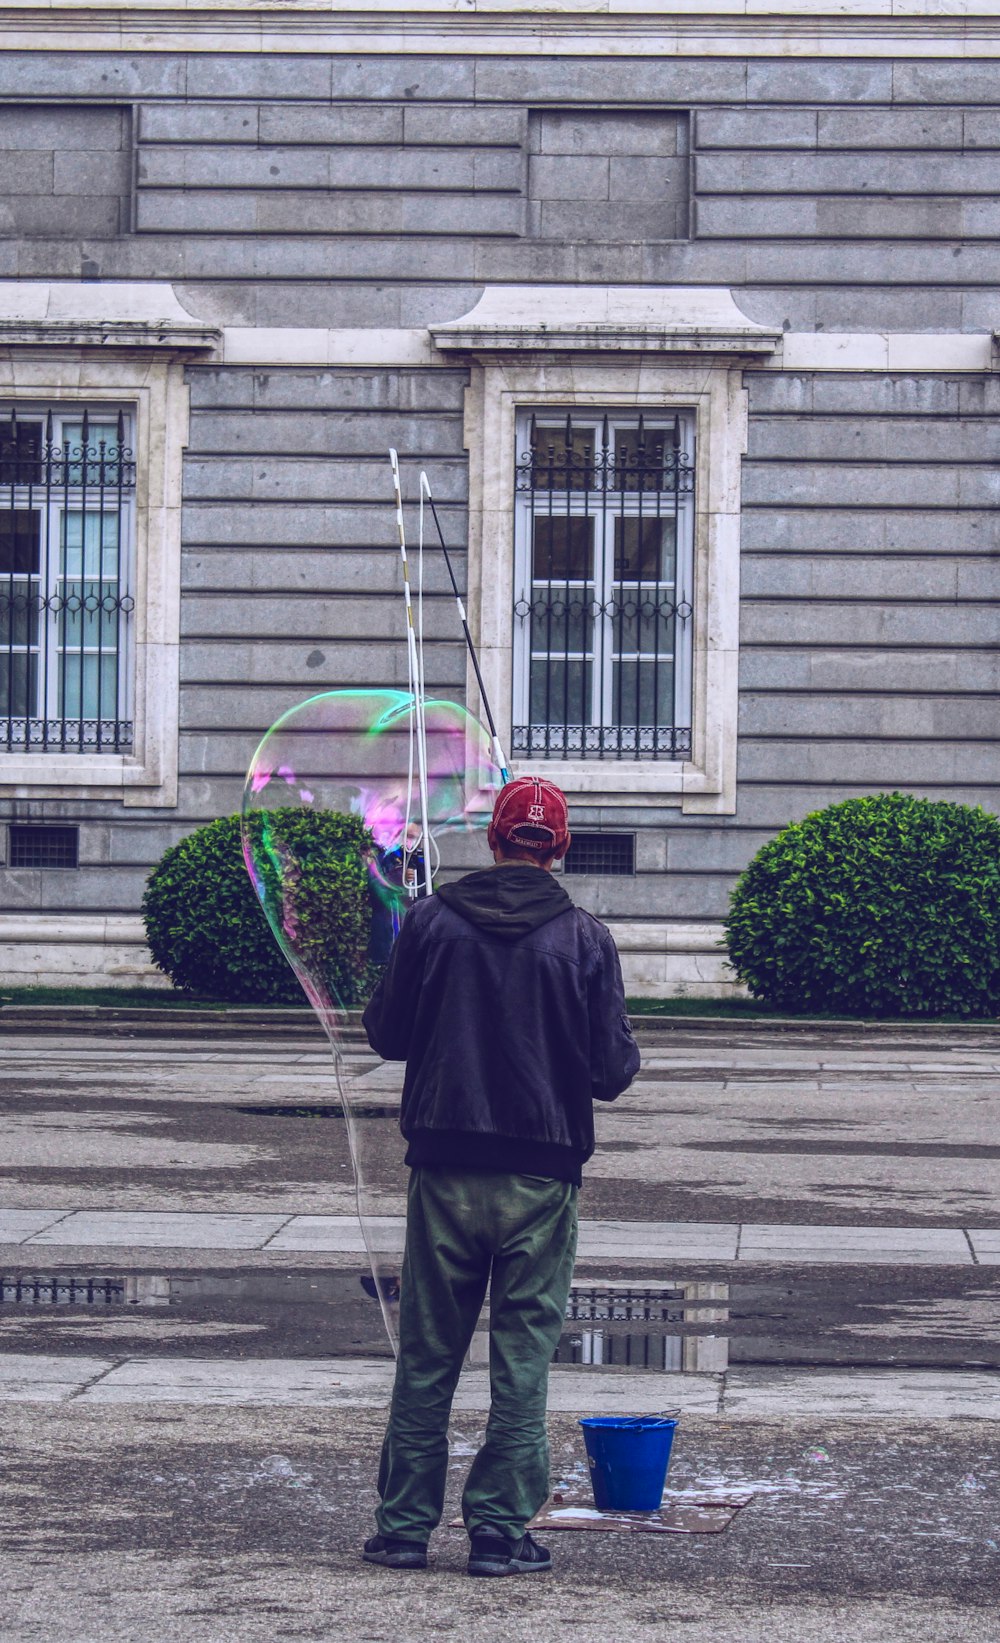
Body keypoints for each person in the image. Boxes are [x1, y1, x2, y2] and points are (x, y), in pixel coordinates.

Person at [360, 775, 640, 1578]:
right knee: (521, 1359)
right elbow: (612, 1071)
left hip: (445, 1166)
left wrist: (421, 947)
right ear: (561, 848)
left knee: (426, 1354)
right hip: (541, 1175)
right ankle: (497, 1531)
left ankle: (405, 1528)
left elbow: (386, 1033)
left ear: (492, 840)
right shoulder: (586, 938)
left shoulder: (433, 920)